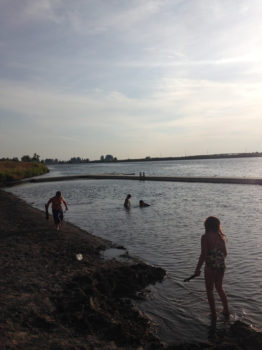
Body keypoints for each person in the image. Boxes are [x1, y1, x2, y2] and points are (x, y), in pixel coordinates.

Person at [194, 216, 229, 319]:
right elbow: (225, 253)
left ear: (206, 225)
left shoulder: (205, 237)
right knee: (219, 288)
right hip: (221, 266)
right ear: (217, 226)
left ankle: (213, 314)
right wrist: (218, 261)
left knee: (209, 290)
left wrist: (197, 269)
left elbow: (203, 254)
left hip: (210, 267)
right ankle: (226, 310)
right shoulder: (220, 237)